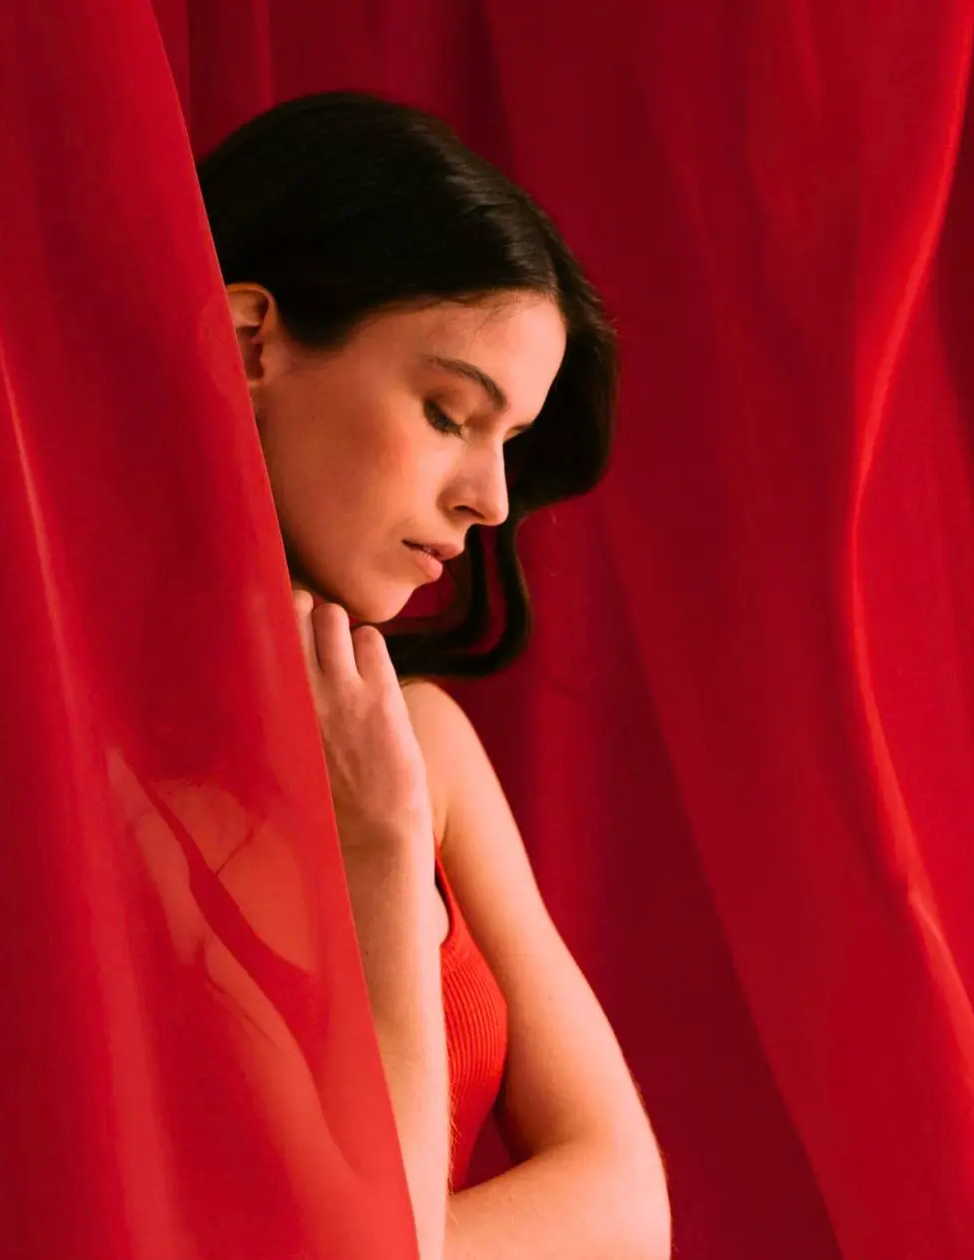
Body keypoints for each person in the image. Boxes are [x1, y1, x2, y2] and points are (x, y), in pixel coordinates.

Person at [200, 91, 670, 1259]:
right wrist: (376, 854)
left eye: (506, 441)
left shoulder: (421, 744)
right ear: (249, 343)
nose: (491, 501)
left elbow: (627, 1202)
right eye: (448, 412)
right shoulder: (102, 780)